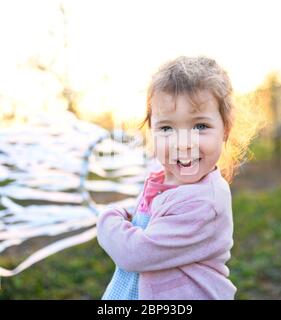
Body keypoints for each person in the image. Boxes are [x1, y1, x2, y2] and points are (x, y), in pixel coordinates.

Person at [97, 56, 257, 299]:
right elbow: (142, 216)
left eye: (200, 126)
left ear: (225, 128)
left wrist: (107, 219)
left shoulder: (204, 202)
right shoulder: (162, 178)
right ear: (151, 131)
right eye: (166, 128)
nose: (183, 144)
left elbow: (135, 254)